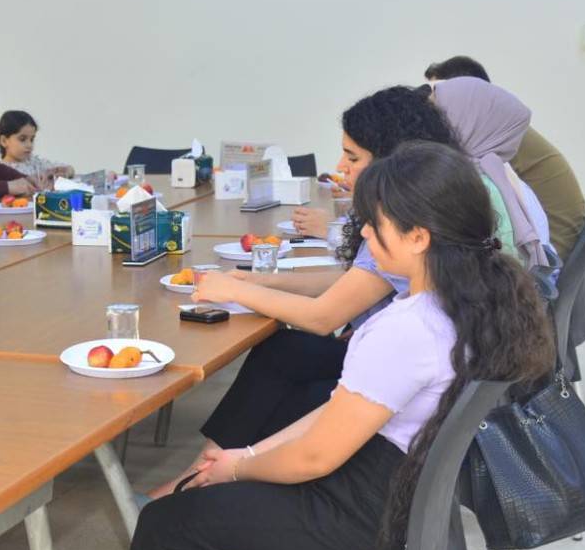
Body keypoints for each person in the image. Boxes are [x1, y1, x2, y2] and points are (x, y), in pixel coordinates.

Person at [112, 141, 554, 550]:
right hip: (400, 513)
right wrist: (246, 456)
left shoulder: (404, 329)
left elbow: (314, 457)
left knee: (164, 524)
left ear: (418, 237)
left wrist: (236, 471)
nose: (363, 230)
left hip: (364, 530)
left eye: (375, 223)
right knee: (200, 501)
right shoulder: (469, 305)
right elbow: (340, 410)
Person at [169, 87, 520, 492]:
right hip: (426, 375)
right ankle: (209, 470)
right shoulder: (426, 206)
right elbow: (353, 282)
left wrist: (235, 291)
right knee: (282, 351)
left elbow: (324, 317)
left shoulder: (407, 225)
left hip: (398, 401)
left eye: (352, 158)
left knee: (288, 383)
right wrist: (260, 280)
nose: (340, 167)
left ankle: (221, 476)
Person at [425, 55, 585, 259]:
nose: (429, 103)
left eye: (438, 93)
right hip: (555, 242)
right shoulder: (497, 128)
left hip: (553, 245)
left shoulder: (487, 138)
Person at [427, 75, 553, 269]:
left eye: (438, 115)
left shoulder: (473, 187)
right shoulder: (495, 171)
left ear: (464, 121)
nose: (429, 125)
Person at [0, 110, 75, 186]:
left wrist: (65, 172)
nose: (29, 145)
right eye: (22, 139)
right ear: (4, 141)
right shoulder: (0, 171)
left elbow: (70, 168)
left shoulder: (35, 163)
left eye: (32, 139)